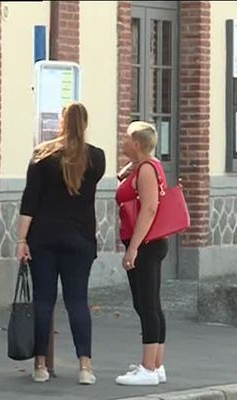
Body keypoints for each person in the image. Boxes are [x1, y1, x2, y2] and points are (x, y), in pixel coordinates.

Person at [17, 102, 106, 385]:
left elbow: (29, 201)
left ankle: (41, 365)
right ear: (86, 123)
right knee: (77, 302)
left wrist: (22, 239)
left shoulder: (42, 155)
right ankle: (85, 367)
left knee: (43, 301)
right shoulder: (97, 158)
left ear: (61, 123)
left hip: (43, 237)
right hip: (80, 239)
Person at [114, 121, 168, 386]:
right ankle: (156, 365)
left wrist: (133, 248)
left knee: (147, 305)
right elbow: (123, 179)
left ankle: (148, 369)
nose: (122, 143)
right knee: (151, 304)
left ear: (136, 143)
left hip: (145, 244)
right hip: (150, 243)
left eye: (126, 139)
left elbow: (148, 209)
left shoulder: (147, 169)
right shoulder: (149, 165)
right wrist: (131, 165)